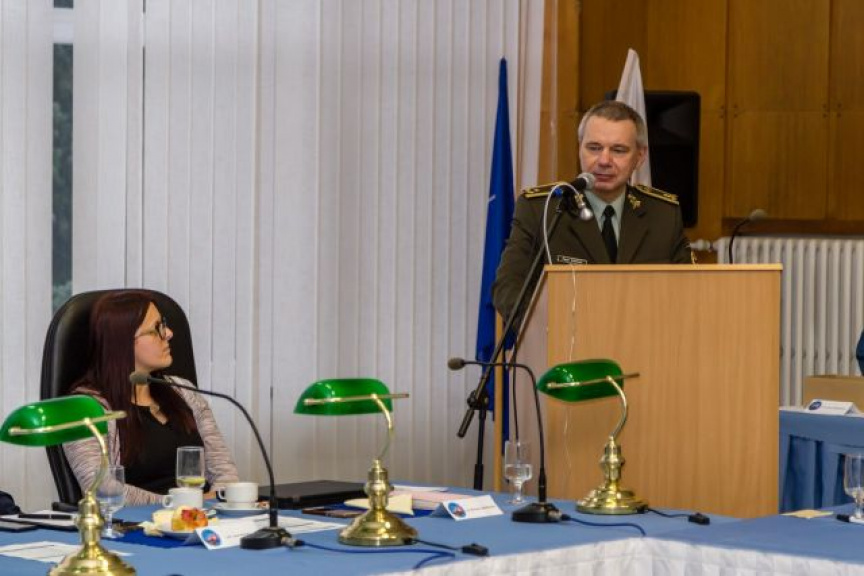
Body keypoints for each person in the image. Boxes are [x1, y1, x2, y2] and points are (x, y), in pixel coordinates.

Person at [492, 100, 693, 322]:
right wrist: (555, 329)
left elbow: (691, 292)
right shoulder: (542, 208)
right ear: (580, 148)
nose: (604, 161)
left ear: (640, 156)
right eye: (594, 148)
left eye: (618, 150)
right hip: (565, 339)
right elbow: (508, 290)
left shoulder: (664, 215)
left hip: (644, 337)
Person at [63, 290, 239, 505]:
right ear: (123, 342)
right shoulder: (84, 409)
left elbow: (225, 473)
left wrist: (215, 501)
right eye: (156, 329)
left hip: (202, 518)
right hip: (135, 523)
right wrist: (179, 504)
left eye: (163, 324)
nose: (169, 333)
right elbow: (101, 488)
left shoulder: (184, 391)